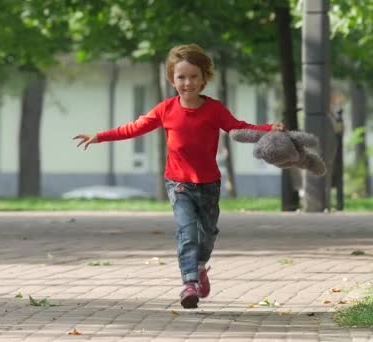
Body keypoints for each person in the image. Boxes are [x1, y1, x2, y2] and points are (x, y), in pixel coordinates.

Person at [73, 44, 284, 309]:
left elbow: (239, 128)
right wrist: (100, 136)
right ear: (172, 79)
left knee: (207, 234)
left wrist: (268, 129)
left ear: (204, 78)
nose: (188, 83)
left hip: (208, 183)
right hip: (178, 182)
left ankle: (199, 266)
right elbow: (134, 128)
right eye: (181, 77)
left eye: (194, 76)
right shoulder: (166, 109)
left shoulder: (214, 109)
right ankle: (189, 283)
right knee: (187, 232)